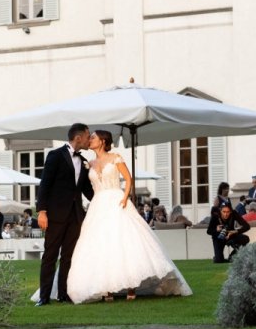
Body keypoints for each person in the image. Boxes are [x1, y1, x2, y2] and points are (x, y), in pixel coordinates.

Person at [47, 129, 192, 303]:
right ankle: (106, 288)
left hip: (116, 200)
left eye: (93, 137)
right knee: (100, 244)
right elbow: (82, 186)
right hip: (98, 205)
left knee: (124, 240)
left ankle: (131, 286)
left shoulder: (115, 157)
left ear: (102, 141)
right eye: (89, 137)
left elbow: (128, 179)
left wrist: (124, 197)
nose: (90, 140)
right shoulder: (89, 163)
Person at [34, 123, 95, 306]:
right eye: (87, 136)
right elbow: (45, 184)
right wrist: (42, 212)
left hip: (75, 216)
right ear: (78, 138)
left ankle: (63, 293)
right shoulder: (55, 156)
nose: (89, 139)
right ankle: (44, 297)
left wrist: (107, 196)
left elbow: (87, 190)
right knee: (50, 256)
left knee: (69, 257)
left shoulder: (83, 160)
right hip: (55, 215)